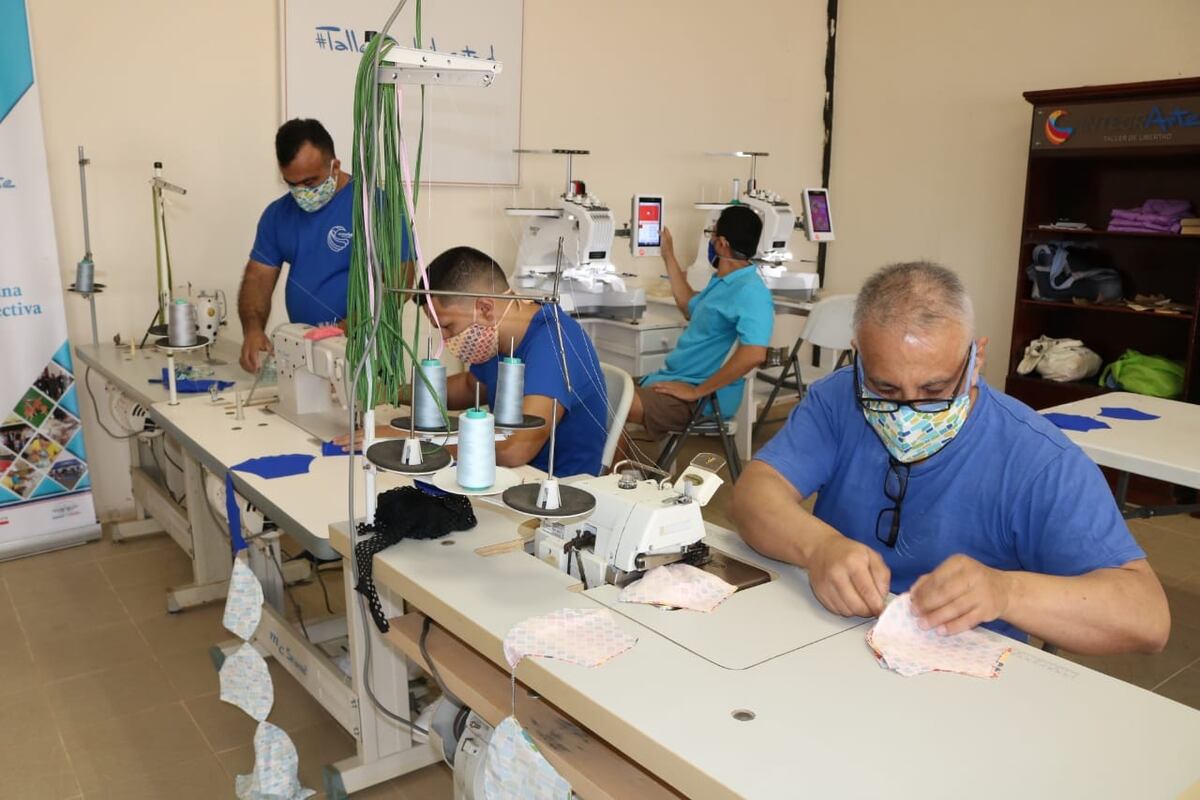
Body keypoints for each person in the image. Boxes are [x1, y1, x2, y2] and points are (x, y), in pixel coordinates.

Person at [732, 262, 1170, 655]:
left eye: (934, 390)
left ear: (976, 358)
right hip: (833, 636)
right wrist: (818, 546)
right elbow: (755, 493)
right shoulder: (837, 398)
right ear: (858, 356)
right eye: (884, 389)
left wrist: (1006, 592)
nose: (907, 412)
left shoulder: (1039, 461)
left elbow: (1146, 618)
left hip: (958, 666)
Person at [412, 246, 608, 476]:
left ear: (485, 308)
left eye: (446, 326)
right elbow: (469, 386)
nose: (445, 339)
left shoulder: (553, 343)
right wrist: (397, 395)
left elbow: (514, 448)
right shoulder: (499, 339)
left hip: (555, 490)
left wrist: (413, 441)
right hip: (512, 476)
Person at [238, 119, 397, 372]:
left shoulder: (373, 206)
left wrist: (347, 328)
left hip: (365, 353)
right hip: (308, 355)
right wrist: (253, 330)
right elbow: (257, 278)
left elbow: (399, 281)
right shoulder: (278, 215)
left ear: (335, 167)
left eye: (310, 182)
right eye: (292, 184)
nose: (302, 192)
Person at [626, 205, 773, 445]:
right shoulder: (722, 282)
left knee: (607, 401)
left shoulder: (751, 291)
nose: (711, 240)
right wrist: (668, 255)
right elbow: (688, 306)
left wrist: (697, 391)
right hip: (674, 380)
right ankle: (617, 474)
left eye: (712, 234)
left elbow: (754, 353)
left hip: (701, 399)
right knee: (597, 387)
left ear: (722, 243)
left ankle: (619, 477)